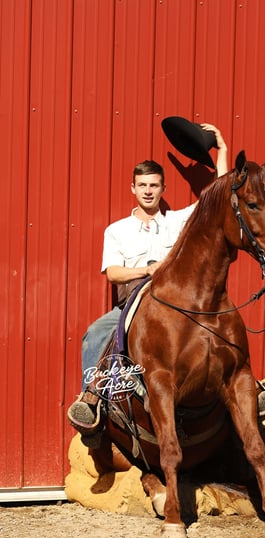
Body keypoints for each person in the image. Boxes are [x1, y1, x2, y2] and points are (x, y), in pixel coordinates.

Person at [68, 124, 228, 445]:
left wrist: (222, 149)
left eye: (154, 185)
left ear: (163, 188)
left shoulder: (177, 221)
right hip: (133, 302)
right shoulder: (118, 230)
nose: (148, 191)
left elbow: (219, 194)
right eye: (142, 185)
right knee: (95, 333)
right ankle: (92, 402)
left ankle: (244, 388)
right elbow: (113, 273)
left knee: (221, 325)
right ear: (133, 188)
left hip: (177, 302)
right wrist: (148, 270)